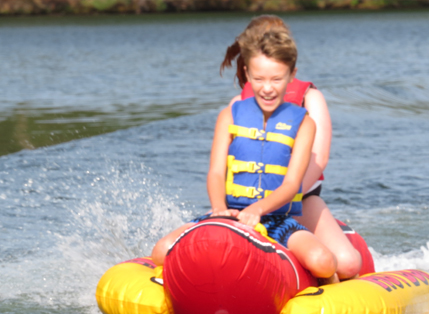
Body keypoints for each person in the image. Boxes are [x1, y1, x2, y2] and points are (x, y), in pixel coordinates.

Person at [152, 28, 337, 281]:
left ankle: (323, 292)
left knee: (323, 262)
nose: (267, 88)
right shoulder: (229, 115)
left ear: (291, 76)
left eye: (276, 79)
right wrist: (218, 209)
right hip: (229, 214)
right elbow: (216, 172)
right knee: (160, 252)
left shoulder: (304, 123)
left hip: (276, 219)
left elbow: (293, 183)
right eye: (259, 79)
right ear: (247, 73)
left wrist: (258, 209)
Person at [221, 15, 362, 280]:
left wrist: (282, 199)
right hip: (245, 204)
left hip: (300, 200)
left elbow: (319, 159)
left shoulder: (310, 97)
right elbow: (225, 167)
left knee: (346, 265)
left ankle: (337, 250)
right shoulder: (237, 106)